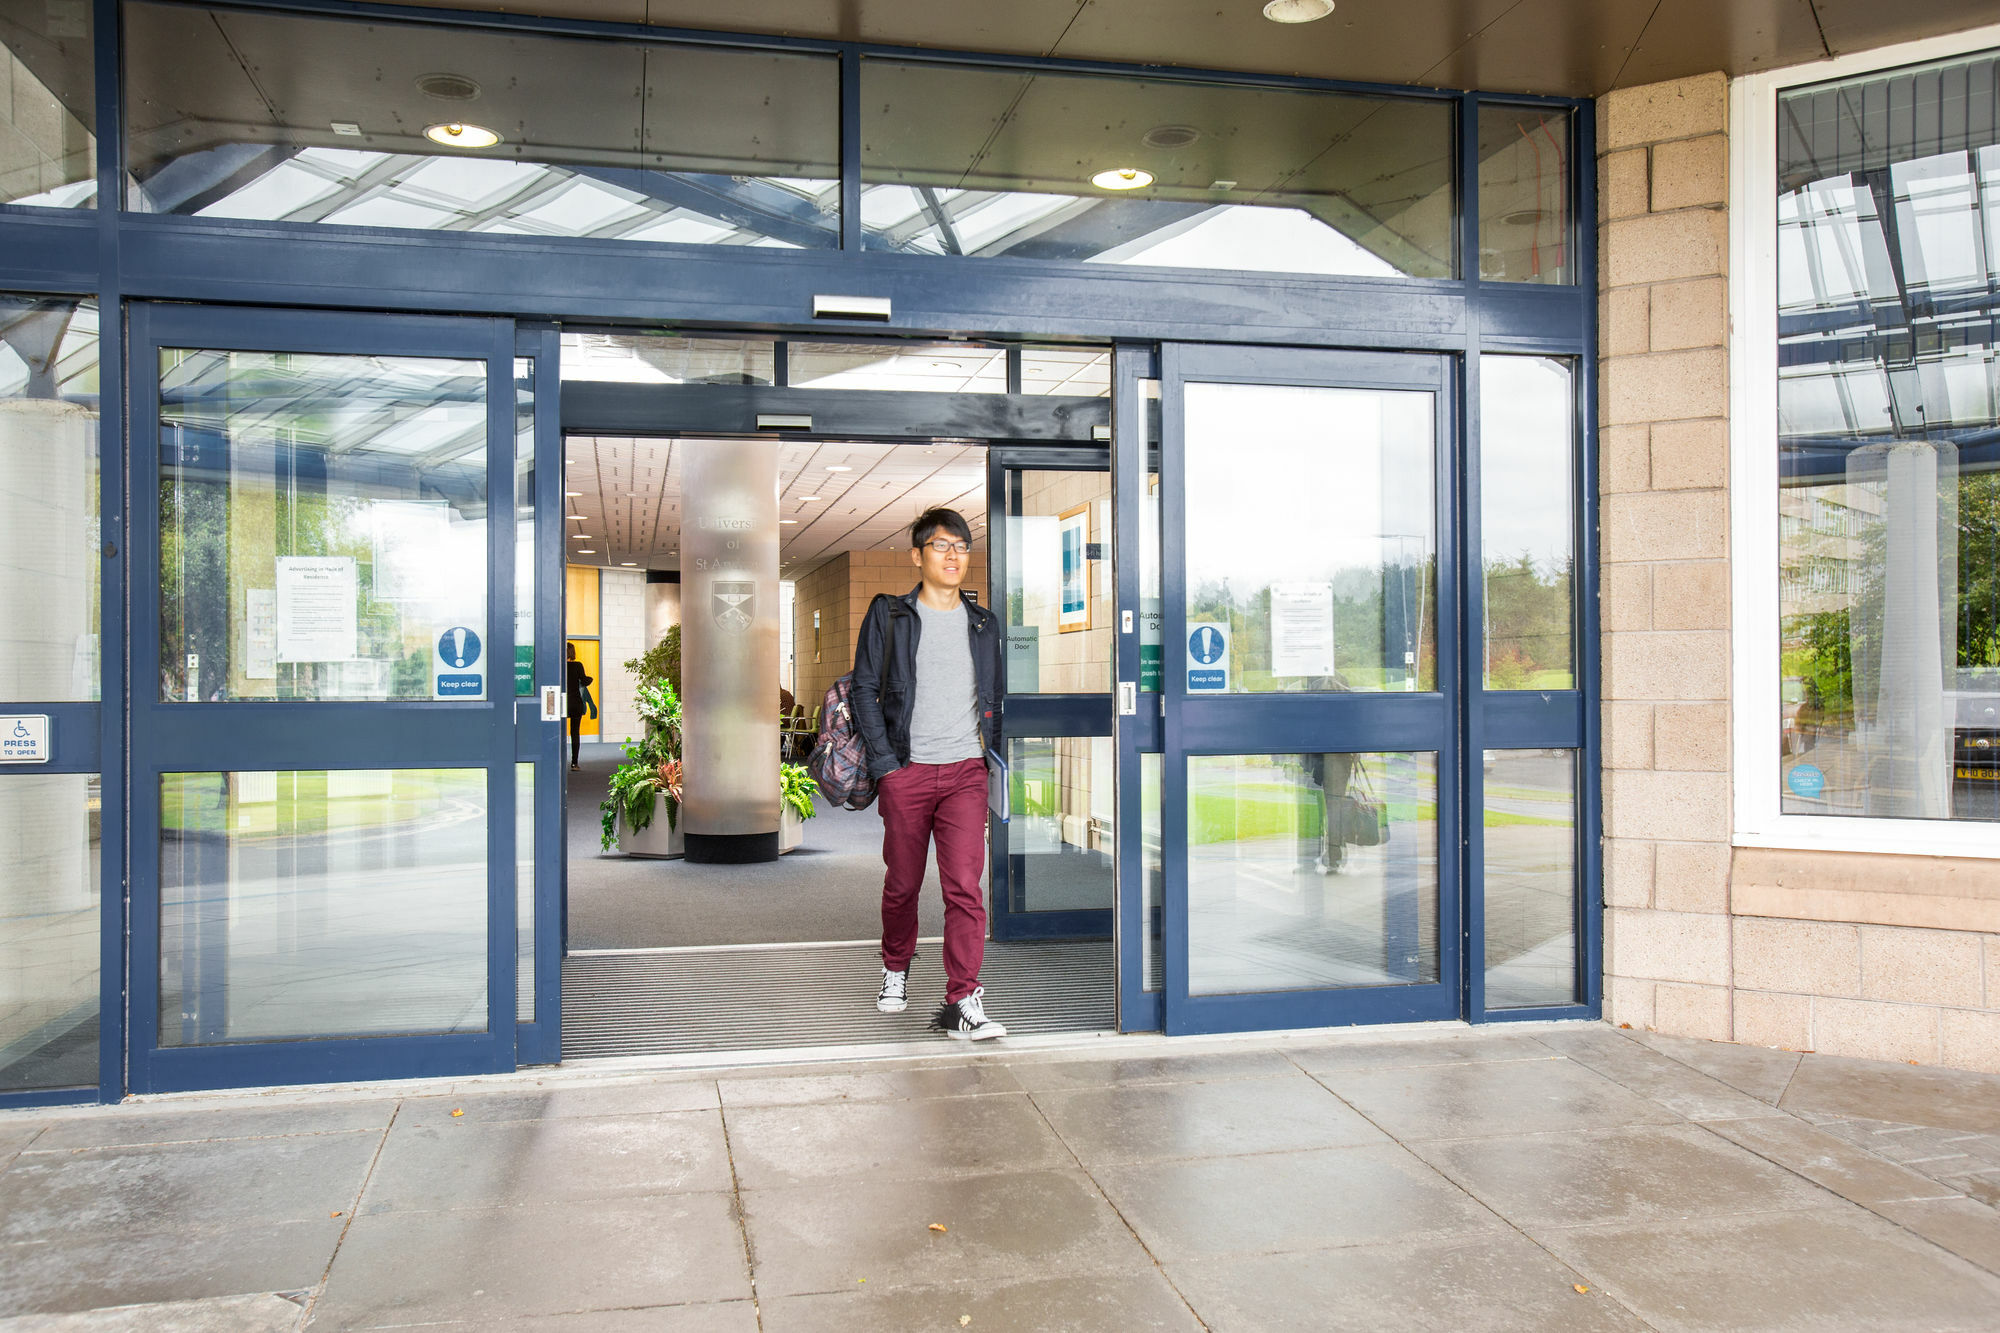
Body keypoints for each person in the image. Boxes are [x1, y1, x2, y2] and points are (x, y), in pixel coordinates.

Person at [851, 507, 1006, 1040]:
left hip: (965, 770)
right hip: (909, 770)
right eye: (941, 546)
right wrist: (886, 766)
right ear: (917, 555)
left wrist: (990, 759)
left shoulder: (984, 624)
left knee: (965, 887)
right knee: (903, 884)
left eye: (961, 547)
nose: (954, 555)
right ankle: (896, 968)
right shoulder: (890, 615)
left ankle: (963, 998)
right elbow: (864, 690)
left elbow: (994, 695)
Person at [565, 642, 592, 771]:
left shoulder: (558, 666)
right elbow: (585, 680)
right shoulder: (577, 665)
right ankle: (574, 763)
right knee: (575, 732)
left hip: (561, 703)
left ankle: (555, 760)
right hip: (575, 703)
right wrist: (590, 678)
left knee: (557, 733)